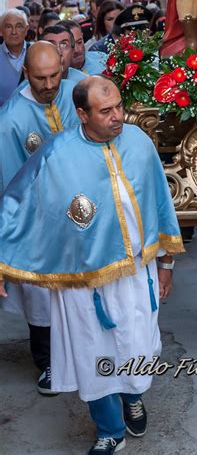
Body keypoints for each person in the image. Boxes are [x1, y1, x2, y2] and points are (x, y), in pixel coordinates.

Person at [0, 75, 184, 454]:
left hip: (136, 272)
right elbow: (17, 205)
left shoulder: (139, 142)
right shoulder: (56, 154)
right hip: (82, 280)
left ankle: (132, 396)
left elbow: (160, 202)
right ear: (82, 114)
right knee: (92, 353)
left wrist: (166, 262)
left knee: (136, 347)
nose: (117, 116)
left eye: (119, 106)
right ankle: (109, 429)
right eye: (106, 111)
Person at [0, 42, 78, 393]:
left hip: (83, 214)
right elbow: (9, 182)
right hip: (38, 223)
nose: (49, 85)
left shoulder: (77, 92)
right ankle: (46, 363)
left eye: (54, 76)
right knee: (41, 295)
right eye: (40, 78)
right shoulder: (10, 120)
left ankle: (83, 356)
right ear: (25, 74)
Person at [0, 9, 30, 106]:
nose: (14, 32)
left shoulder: (36, 52)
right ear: (1, 30)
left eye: (19, 26)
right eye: (8, 27)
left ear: (26, 29)